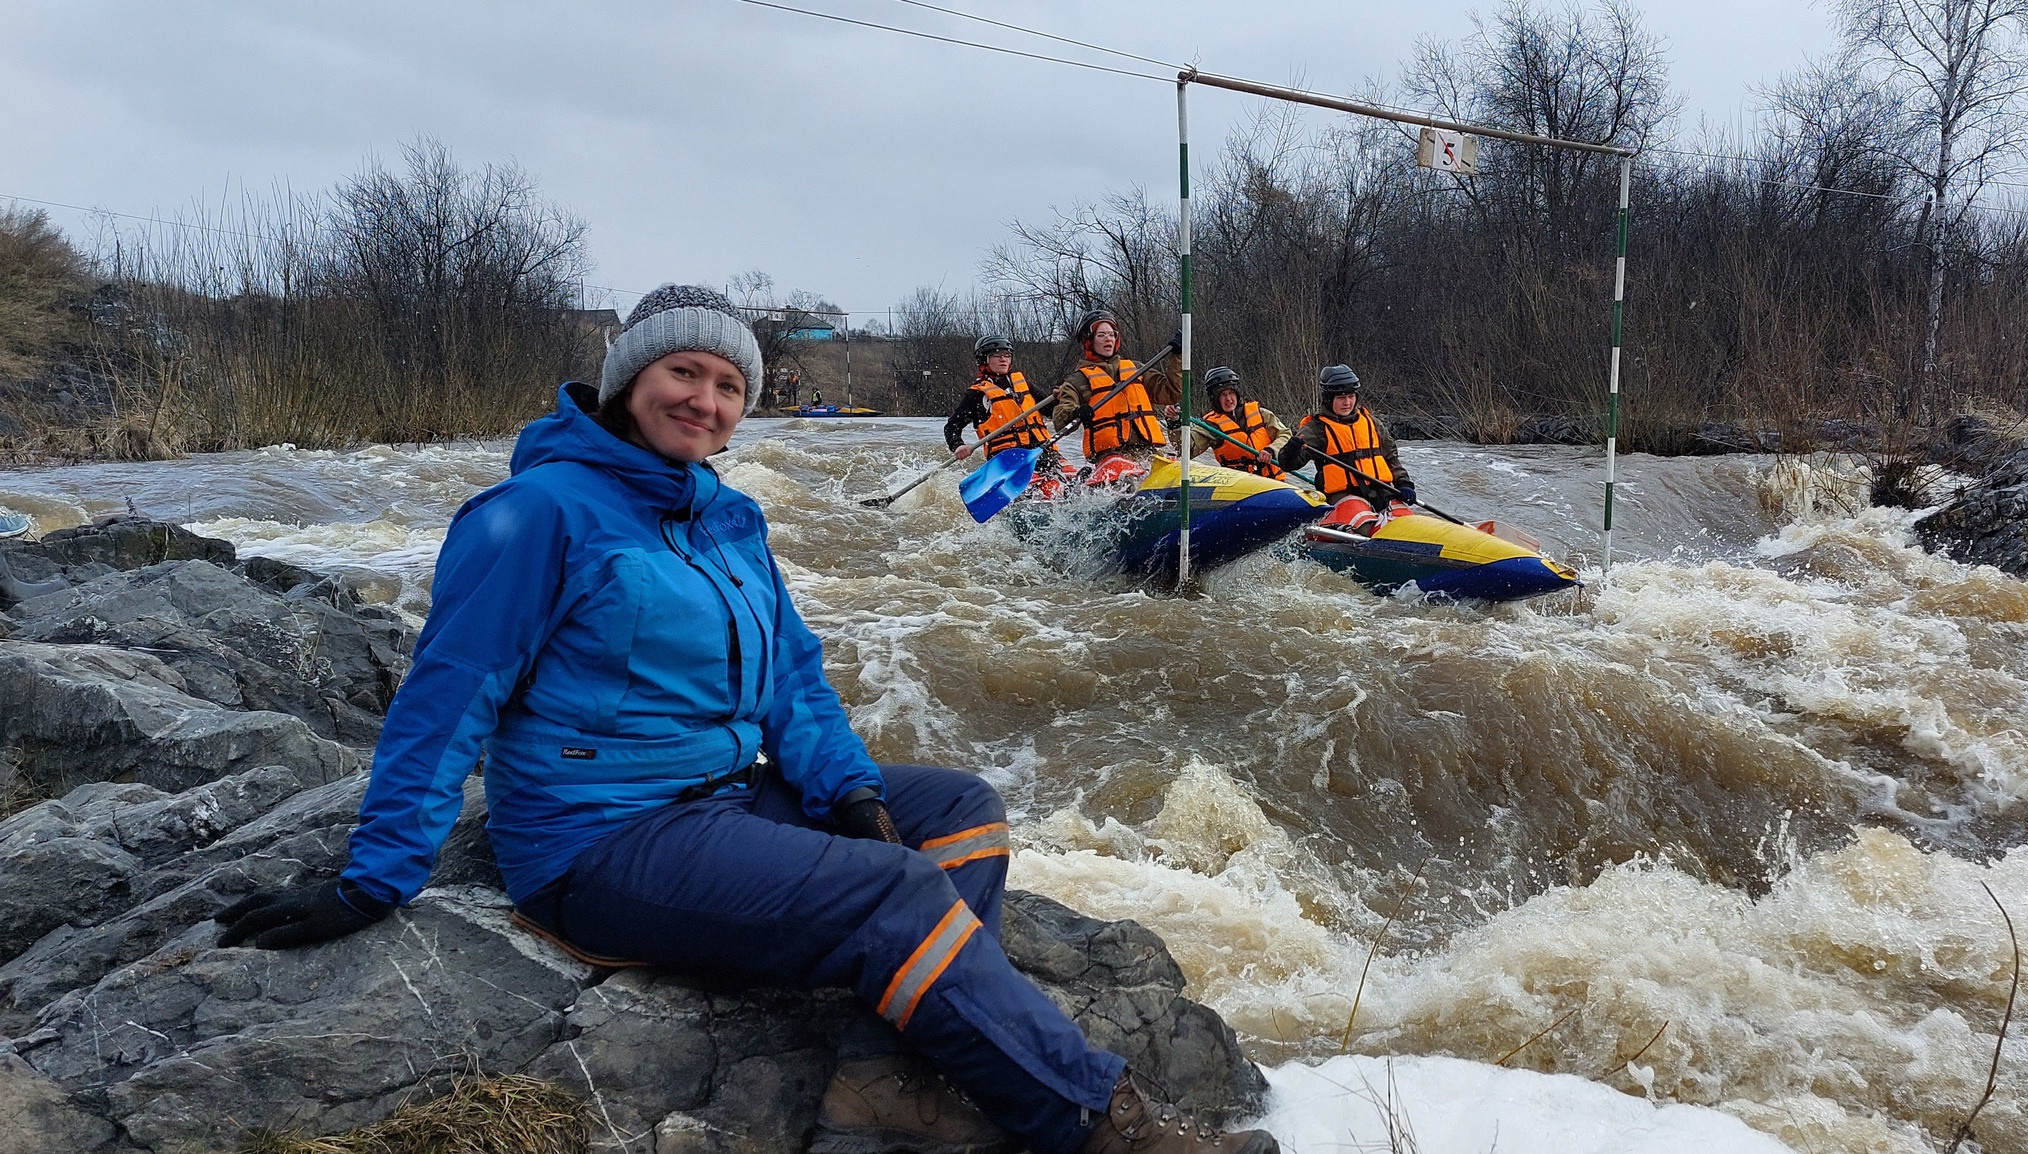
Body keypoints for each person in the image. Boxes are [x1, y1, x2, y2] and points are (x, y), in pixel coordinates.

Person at [209, 284, 1276, 1154]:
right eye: (685, 371)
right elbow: (448, 693)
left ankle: (884, 1080)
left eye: (729, 384)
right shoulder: (535, 513)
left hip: (719, 796)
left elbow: (795, 681)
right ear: (632, 377)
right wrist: (374, 874)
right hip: (598, 837)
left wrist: (847, 789)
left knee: (955, 809)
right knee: (895, 889)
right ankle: (1103, 1124)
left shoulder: (728, 516)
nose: (707, 400)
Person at [1049, 309, 1179, 480]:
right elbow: (1060, 420)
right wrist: (1076, 412)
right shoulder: (1077, 380)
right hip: (1111, 456)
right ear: (1089, 341)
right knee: (1127, 475)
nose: (1108, 338)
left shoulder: (1136, 369)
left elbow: (1173, 393)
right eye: (1101, 335)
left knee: (1176, 469)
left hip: (1149, 451)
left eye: (1112, 334)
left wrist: (1177, 356)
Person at [1275, 364, 1414, 505]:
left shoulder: (1373, 423)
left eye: (1351, 396)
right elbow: (1287, 464)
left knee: (1405, 518)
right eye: (1341, 398)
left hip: (1381, 491)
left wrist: (1403, 482)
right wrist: (1291, 451)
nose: (1347, 403)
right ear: (1329, 399)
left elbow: (1391, 458)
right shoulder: (1316, 429)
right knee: (1363, 521)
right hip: (1342, 496)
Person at [944, 334, 1062, 475]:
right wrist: (958, 445)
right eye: (996, 355)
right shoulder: (976, 394)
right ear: (984, 360)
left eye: (1006, 355)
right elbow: (952, 427)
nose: (1003, 359)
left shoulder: (1023, 384)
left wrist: (1060, 401)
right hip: (1006, 458)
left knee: (1067, 483)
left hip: (1042, 450)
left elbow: (1052, 411)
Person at [1195, 367, 1282, 478]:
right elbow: (1187, 448)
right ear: (1215, 399)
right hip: (1239, 483)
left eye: (1231, 393)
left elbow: (1285, 435)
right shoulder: (1211, 426)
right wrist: (1174, 422)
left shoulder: (1262, 414)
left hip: (1273, 482)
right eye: (1222, 395)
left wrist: (1271, 450)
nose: (1228, 399)